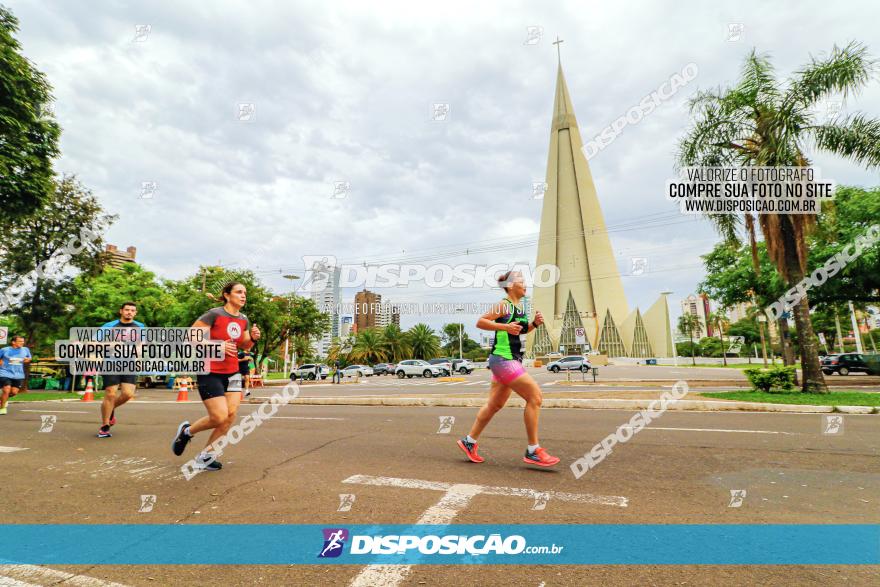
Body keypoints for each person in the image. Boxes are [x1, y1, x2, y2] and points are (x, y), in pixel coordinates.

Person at [457, 270, 560, 467]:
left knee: (494, 405)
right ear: (511, 286)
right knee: (535, 397)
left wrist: (534, 325)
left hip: (508, 360)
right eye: (521, 281)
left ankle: (469, 442)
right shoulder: (504, 305)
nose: (525, 283)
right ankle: (533, 451)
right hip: (504, 360)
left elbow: (519, 330)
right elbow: (480, 322)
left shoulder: (519, 308)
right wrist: (504, 327)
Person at [171, 282, 260, 472]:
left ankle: (205, 456)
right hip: (210, 371)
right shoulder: (214, 314)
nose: (243, 295)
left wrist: (252, 337)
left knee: (230, 416)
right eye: (239, 292)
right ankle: (186, 432)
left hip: (233, 371)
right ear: (227, 295)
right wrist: (217, 346)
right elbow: (191, 337)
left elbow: (244, 346)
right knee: (219, 416)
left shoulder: (243, 319)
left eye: (245, 293)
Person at [97, 302, 146, 438]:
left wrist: (137, 358)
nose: (129, 312)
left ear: (135, 313)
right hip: (110, 362)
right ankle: (105, 425)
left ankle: (110, 409)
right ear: (121, 311)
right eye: (127, 310)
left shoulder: (140, 327)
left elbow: (140, 345)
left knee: (128, 394)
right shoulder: (109, 326)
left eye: (132, 310)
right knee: (110, 393)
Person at [0, 335, 32, 415]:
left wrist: (27, 360)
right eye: (20, 341)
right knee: (6, 389)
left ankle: (4, 399)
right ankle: (2, 408)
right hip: (5, 372)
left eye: (23, 341)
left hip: (18, 374)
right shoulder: (4, 350)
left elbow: (29, 358)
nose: (22, 343)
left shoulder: (25, 349)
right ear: (13, 342)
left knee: (14, 392)